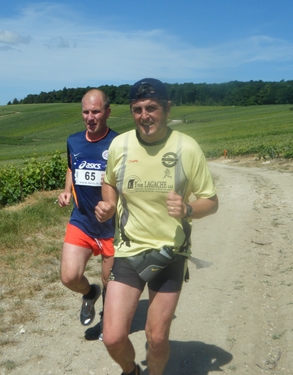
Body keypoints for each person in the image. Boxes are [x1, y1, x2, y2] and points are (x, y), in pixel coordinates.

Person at [95, 78, 219, 375]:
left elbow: (211, 201)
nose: (144, 116)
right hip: (128, 249)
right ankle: (132, 371)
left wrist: (188, 208)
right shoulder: (120, 145)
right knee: (112, 337)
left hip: (170, 251)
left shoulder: (187, 148)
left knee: (157, 338)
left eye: (151, 108)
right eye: (137, 109)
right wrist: (109, 204)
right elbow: (109, 182)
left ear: (166, 108)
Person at [58, 89, 118, 340]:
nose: (90, 117)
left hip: (113, 226)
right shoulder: (73, 141)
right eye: (85, 111)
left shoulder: (119, 143)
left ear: (107, 112)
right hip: (82, 219)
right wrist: (66, 191)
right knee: (69, 276)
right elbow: (72, 168)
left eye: (95, 111)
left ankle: (108, 320)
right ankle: (89, 293)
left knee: (110, 283)